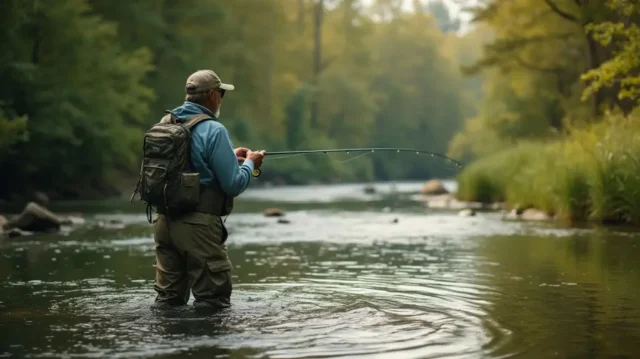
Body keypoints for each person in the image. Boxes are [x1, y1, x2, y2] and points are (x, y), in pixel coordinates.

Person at [152, 69, 265, 310]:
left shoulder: (165, 123)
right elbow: (233, 184)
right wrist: (250, 164)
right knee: (213, 303)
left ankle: (167, 346)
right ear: (213, 95)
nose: (222, 99)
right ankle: (207, 348)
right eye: (222, 93)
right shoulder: (214, 130)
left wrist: (229, 157)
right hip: (199, 228)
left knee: (168, 303)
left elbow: (188, 162)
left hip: (164, 223)